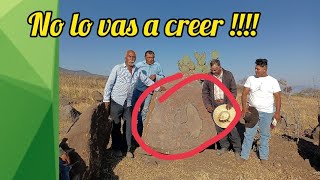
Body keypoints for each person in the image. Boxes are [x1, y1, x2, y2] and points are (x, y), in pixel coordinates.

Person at [103, 50, 165, 158]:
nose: (132, 59)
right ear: (125, 57)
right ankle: (116, 148)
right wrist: (106, 100)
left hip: (128, 103)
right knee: (116, 125)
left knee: (128, 126)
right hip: (116, 101)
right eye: (130, 56)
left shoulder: (137, 70)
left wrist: (158, 87)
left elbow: (147, 80)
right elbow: (109, 84)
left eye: (133, 57)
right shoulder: (117, 68)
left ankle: (127, 149)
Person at [240, 58, 281, 163]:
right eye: (255, 68)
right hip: (252, 111)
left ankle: (263, 157)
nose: (255, 71)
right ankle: (244, 156)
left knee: (265, 135)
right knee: (249, 134)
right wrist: (244, 108)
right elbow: (244, 93)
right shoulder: (250, 79)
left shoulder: (273, 81)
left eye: (258, 69)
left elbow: (278, 97)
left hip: (267, 112)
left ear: (264, 68)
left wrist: (277, 113)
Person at [202, 59, 242, 159]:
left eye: (215, 70)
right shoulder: (209, 77)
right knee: (219, 128)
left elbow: (233, 90)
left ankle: (237, 149)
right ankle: (224, 146)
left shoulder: (228, 75)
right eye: (212, 70)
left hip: (227, 105)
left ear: (220, 67)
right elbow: (205, 92)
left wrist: (230, 102)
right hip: (215, 106)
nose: (213, 72)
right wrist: (208, 105)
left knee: (232, 128)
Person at [131, 50, 165, 137]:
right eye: (149, 57)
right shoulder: (139, 65)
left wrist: (156, 77)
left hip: (149, 92)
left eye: (152, 57)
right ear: (145, 57)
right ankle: (132, 132)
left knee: (144, 111)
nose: (151, 59)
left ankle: (141, 133)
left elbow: (163, 77)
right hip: (138, 90)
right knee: (133, 111)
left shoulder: (157, 66)